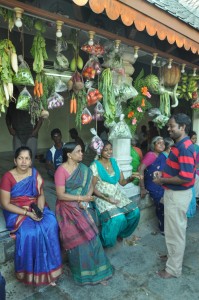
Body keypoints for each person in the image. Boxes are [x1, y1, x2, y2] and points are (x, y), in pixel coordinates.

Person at [0, 146, 62, 286]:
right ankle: (32, 272)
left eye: (27, 158)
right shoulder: (7, 177)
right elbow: (4, 204)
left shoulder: (34, 174)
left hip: (34, 206)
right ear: (15, 161)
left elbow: (40, 194)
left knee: (50, 223)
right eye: (20, 158)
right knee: (30, 232)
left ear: (31, 161)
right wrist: (27, 213)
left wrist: (39, 210)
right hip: (15, 209)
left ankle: (50, 270)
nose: (23, 161)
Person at [54, 142, 113, 285]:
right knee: (80, 242)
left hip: (82, 205)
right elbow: (61, 195)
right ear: (69, 154)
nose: (82, 153)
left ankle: (100, 271)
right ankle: (84, 275)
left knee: (93, 237)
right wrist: (81, 198)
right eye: (78, 151)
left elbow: (89, 187)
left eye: (81, 151)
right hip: (66, 208)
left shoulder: (84, 169)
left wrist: (85, 200)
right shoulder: (61, 171)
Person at [153, 113, 196, 279]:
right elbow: (180, 169)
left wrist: (162, 179)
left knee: (175, 232)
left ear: (183, 127)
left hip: (177, 196)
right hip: (175, 193)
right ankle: (172, 257)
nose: (168, 128)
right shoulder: (181, 145)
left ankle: (172, 269)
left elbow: (185, 176)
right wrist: (163, 173)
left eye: (172, 126)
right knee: (173, 231)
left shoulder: (184, 147)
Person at [90, 140, 141, 248]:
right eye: (106, 150)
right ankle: (106, 242)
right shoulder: (95, 166)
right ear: (100, 151)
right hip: (101, 196)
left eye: (110, 149)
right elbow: (92, 188)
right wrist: (108, 199)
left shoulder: (115, 162)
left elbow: (122, 182)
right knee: (118, 218)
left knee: (135, 212)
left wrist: (131, 178)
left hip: (116, 195)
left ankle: (121, 233)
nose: (109, 152)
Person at [139, 136, 166, 234]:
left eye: (163, 143)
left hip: (162, 182)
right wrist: (142, 188)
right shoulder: (151, 155)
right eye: (159, 143)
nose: (162, 145)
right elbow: (140, 169)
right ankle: (163, 228)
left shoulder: (162, 156)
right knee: (161, 203)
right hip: (152, 184)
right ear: (153, 145)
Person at [6, 99, 43, 165]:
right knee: (18, 158)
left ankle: (29, 174)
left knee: (30, 159)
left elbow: (40, 117)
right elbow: (8, 117)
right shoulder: (12, 105)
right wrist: (9, 128)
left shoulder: (32, 102)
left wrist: (36, 130)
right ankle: (19, 174)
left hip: (31, 134)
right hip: (17, 134)